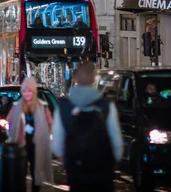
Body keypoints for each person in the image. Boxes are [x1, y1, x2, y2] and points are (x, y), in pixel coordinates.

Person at [52, 63, 123, 192]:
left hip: (76, 171)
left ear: (75, 80)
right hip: (102, 172)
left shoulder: (63, 107)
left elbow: (57, 146)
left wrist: (67, 162)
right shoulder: (106, 106)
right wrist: (113, 162)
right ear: (94, 80)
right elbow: (117, 143)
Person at [7, 77, 53, 192]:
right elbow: (9, 121)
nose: (27, 93)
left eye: (30, 91)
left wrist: (48, 136)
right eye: (25, 91)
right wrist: (13, 131)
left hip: (36, 144)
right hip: (21, 143)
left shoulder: (42, 106)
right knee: (20, 171)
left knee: (36, 171)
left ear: (34, 92)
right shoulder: (17, 106)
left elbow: (50, 123)